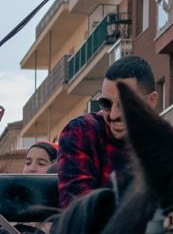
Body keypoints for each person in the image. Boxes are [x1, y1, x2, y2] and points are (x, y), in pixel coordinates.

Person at [54, 55, 157, 208]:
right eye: (106, 103)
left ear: (151, 101)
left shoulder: (165, 144)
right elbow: (78, 207)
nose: (114, 115)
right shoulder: (81, 131)